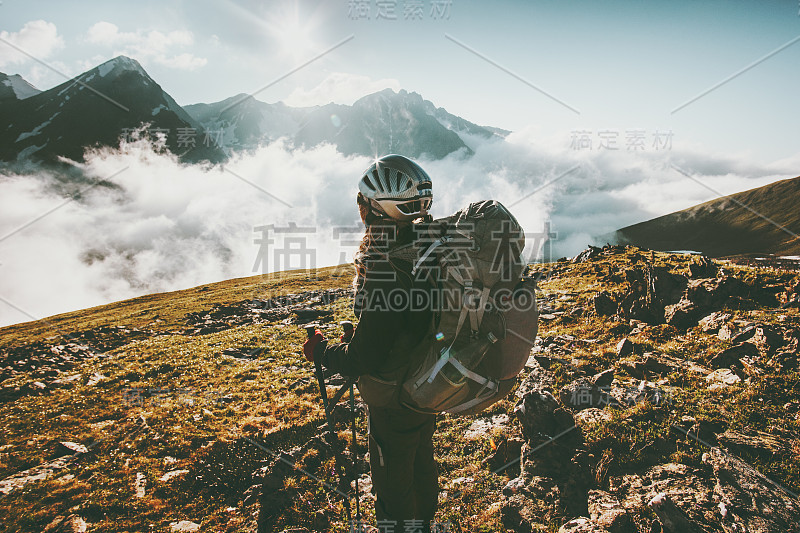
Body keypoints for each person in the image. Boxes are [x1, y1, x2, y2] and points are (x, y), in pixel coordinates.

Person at [303, 154, 439, 531]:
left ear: (377, 208)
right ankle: (424, 522)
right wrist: (369, 331)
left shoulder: (384, 265)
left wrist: (322, 352)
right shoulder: (424, 243)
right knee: (420, 458)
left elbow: (364, 358)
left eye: (362, 202)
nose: (359, 209)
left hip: (397, 394)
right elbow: (403, 320)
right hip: (429, 378)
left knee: (393, 473)